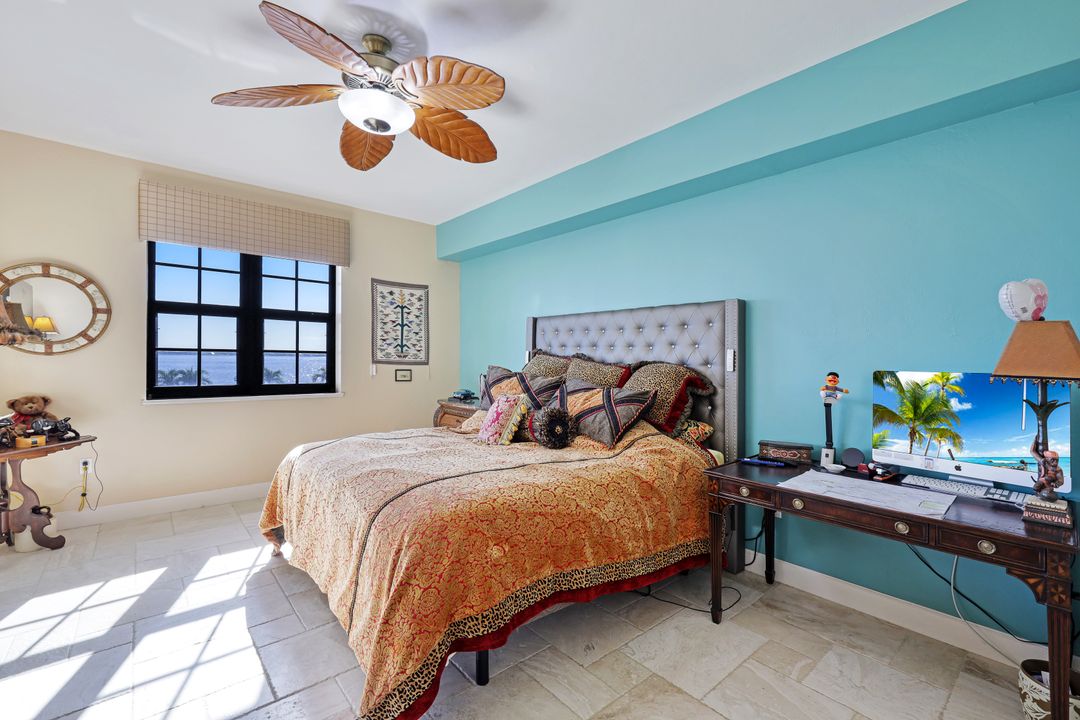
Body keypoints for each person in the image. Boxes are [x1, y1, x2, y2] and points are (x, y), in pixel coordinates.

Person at [1031, 434, 1064, 499]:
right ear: (1047, 459)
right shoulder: (1044, 462)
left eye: (1057, 460)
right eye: (1052, 460)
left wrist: (1056, 484)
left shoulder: (1058, 470)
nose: (1055, 462)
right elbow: (1032, 451)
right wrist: (1034, 441)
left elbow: (1061, 481)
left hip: (1049, 485)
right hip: (1041, 481)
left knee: (1048, 495)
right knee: (1035, 488)